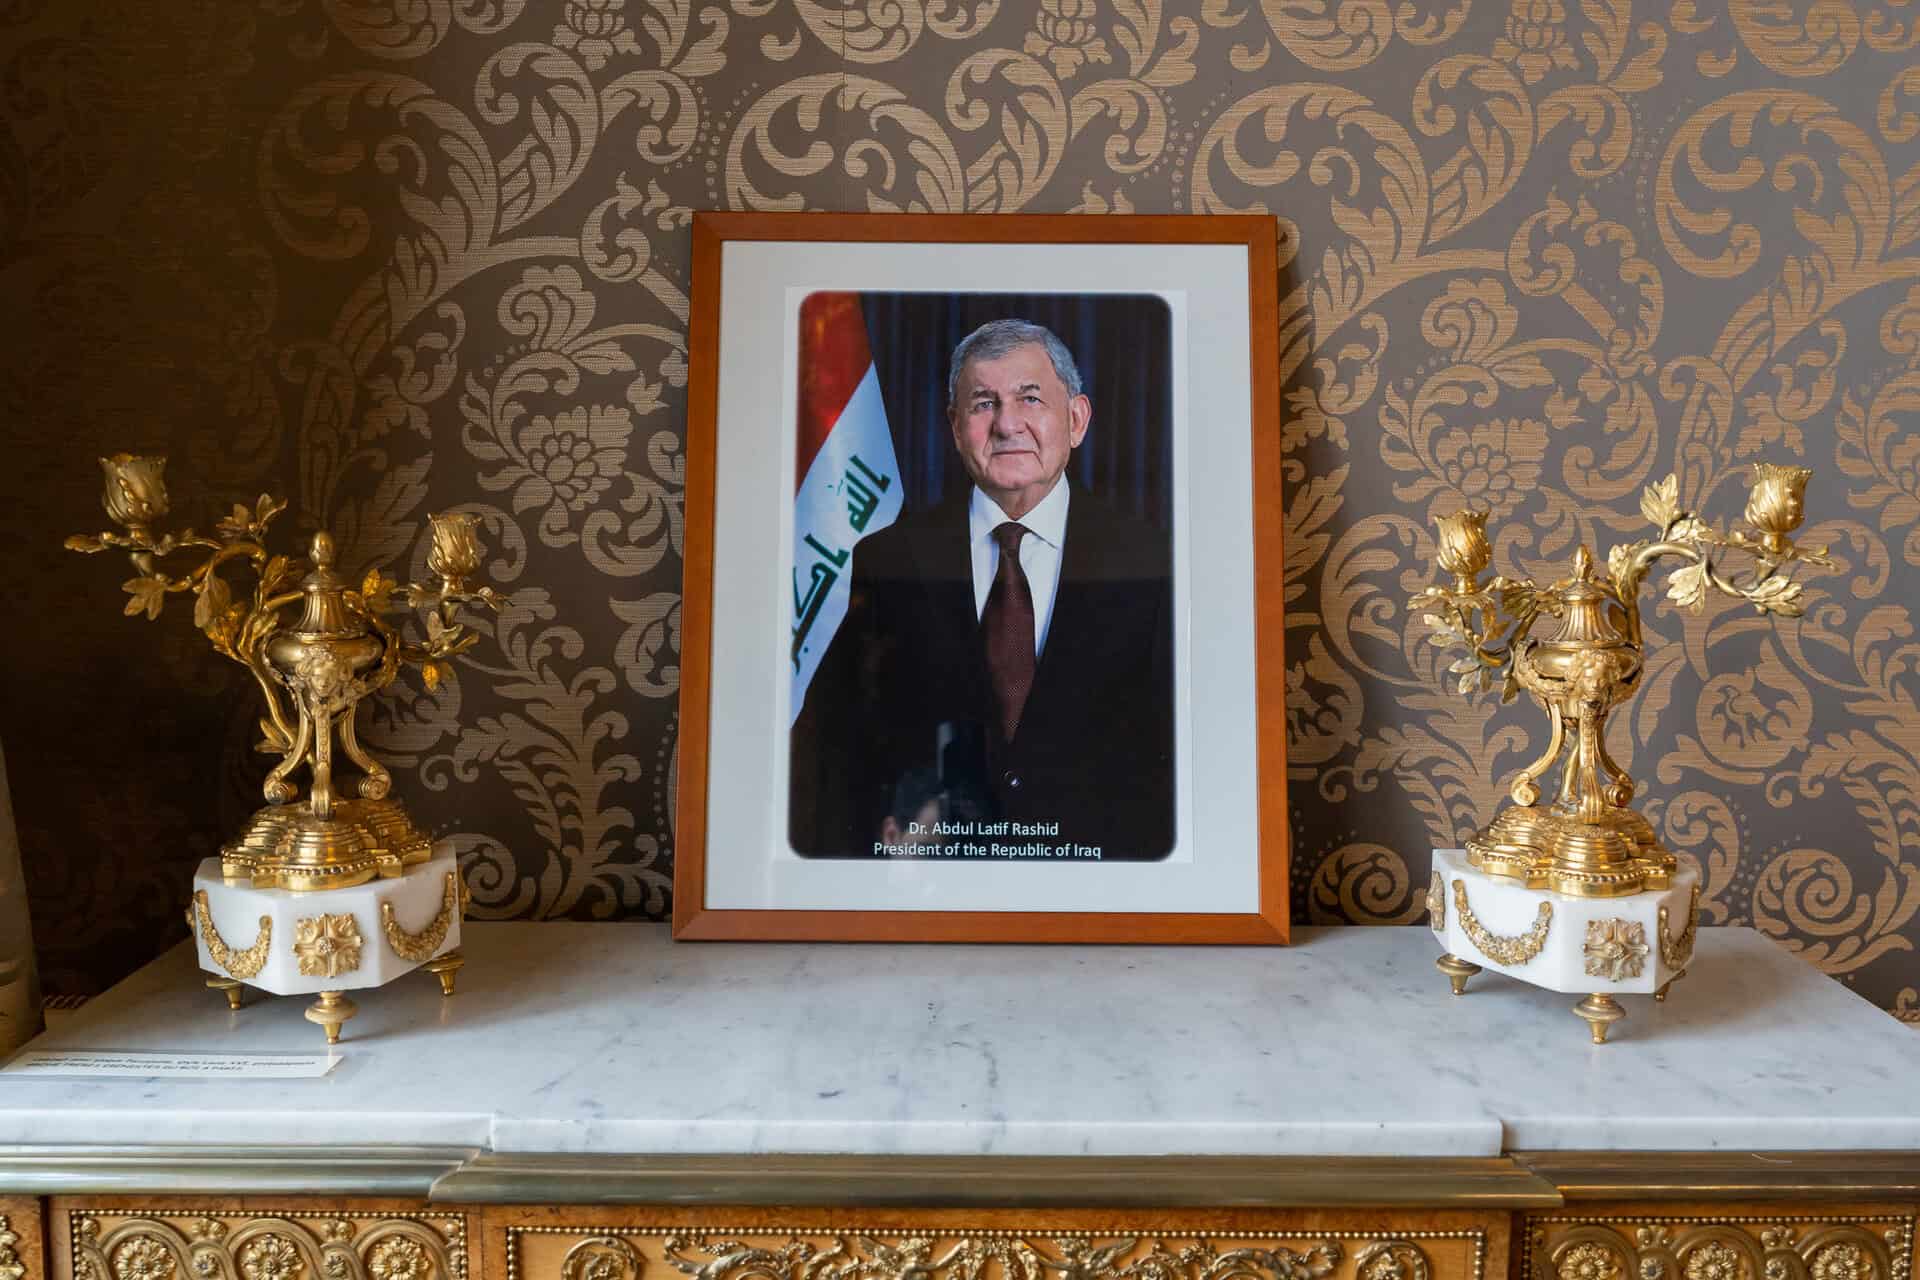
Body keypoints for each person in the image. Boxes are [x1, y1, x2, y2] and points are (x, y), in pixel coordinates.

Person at [789, 317, 1174, 860]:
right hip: (934, 881)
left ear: (1077, 419)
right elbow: (836, 752)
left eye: (1030, 398)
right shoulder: (889, 559)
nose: (1007, 424)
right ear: (955, 426)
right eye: (983, 403)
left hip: (1101, 884)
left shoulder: (1154, 560)